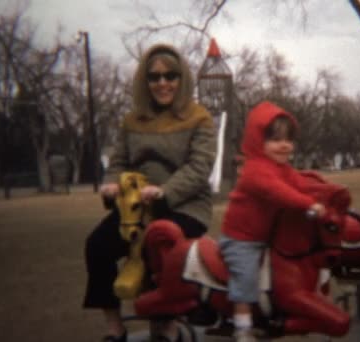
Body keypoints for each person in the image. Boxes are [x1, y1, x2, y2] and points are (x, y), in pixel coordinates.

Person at [83, 43, 217, 342]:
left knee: (155, 245)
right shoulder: (132, 120)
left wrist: (165, 192)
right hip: (136, 206)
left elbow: (199, 169)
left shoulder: (200, 118)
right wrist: (111, 185)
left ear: (182, 79)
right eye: (154, 77)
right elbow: (118, 162)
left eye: (170, 76)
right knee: (97, 246)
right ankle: (114, 327)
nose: (163, 83)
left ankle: (164, 325)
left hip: (184, 207)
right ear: (145, 81)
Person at [219, 101, 326, 342]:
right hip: (241, 239)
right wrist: (309, 204)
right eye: (276, 139)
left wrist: (324, 191)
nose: (285, 145)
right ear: (258, 141)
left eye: (289, 139)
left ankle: (271, 313)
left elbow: (298, 183)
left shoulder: (281, 167)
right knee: (245, 277)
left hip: (265, 238)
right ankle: (242, 328)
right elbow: (280, 192)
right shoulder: (255, 171)